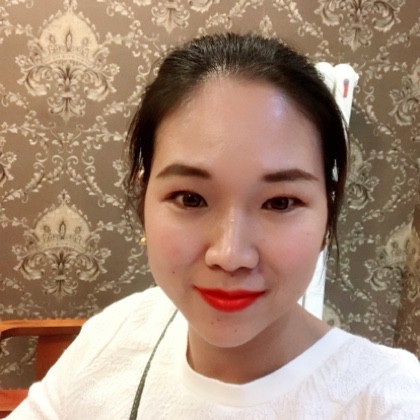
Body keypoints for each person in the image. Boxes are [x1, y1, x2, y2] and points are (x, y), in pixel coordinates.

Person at [8, 32, 420, 419]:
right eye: (190, 198)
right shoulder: (114, 335)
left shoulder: (388, 398)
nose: (230, 255)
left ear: (328, 213)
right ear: (143, 197)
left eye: (280, 202)